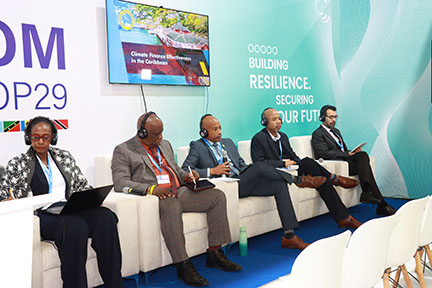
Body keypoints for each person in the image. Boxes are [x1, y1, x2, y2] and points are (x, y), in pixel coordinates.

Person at [111, 112, 241, 287]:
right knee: (171, 204)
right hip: (156, 197)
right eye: (156, 134)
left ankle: (215, 253)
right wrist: (151, 189)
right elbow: (120, 183)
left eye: (162, 132)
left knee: (217, 196)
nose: (161, 137)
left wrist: (187, 176)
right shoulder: (124, 150)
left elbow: (175, 171)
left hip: (178, 191)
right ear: (142, 133)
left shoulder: (165, 145)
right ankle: (183, 265)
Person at [0, 116, 123, 288]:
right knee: (74, 225)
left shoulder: (64, 157)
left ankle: (115, 283)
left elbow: (81, 185)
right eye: (36, 137)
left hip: (68, 208)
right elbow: (5, 193)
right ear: (28, 138)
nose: (41, 141)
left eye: (46, 137)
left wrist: (92, 200)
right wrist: (7, 199)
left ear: (53, 138)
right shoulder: (19, 163)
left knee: (106, 217)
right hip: (42, 215)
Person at [182, 114, 330, 250]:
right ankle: (298, 180)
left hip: (243, 180)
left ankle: (289, 236)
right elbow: (186, 169)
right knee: (259, 166)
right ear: (204, 132)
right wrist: (212, 171)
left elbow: (241, 164)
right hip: (227, 188)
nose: (219, 131)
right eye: (215, 129)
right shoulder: (198, 146)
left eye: (220, 128)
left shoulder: (227, 142)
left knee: (279, 184)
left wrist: (252, 172)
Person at [251, 108, 363, 229]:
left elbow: (293, 156)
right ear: (264, 122)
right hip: (277, 174)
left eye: (280, 119)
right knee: (319, 176)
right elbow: (259, 164)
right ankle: (334, 179)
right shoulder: (259, 138)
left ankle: (343, 218)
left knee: (313, 168)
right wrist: (282, 164)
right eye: (274, 119)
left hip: (292, 170)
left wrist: (298, 163)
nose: (278, 121)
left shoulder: (282, 136)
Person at [311, 105, 396, 216]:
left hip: (346, 161)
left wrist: (352, 152)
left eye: (335, 117)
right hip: (337, 165)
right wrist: (347, 154)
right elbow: (323, 154)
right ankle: (379, 202)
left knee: (362, 156)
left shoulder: (336, 131)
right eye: (330, 117)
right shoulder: (318, 134)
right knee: (364, 161)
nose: (333, 120)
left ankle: (372, 197)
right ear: (322, 118)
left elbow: (342, 149)